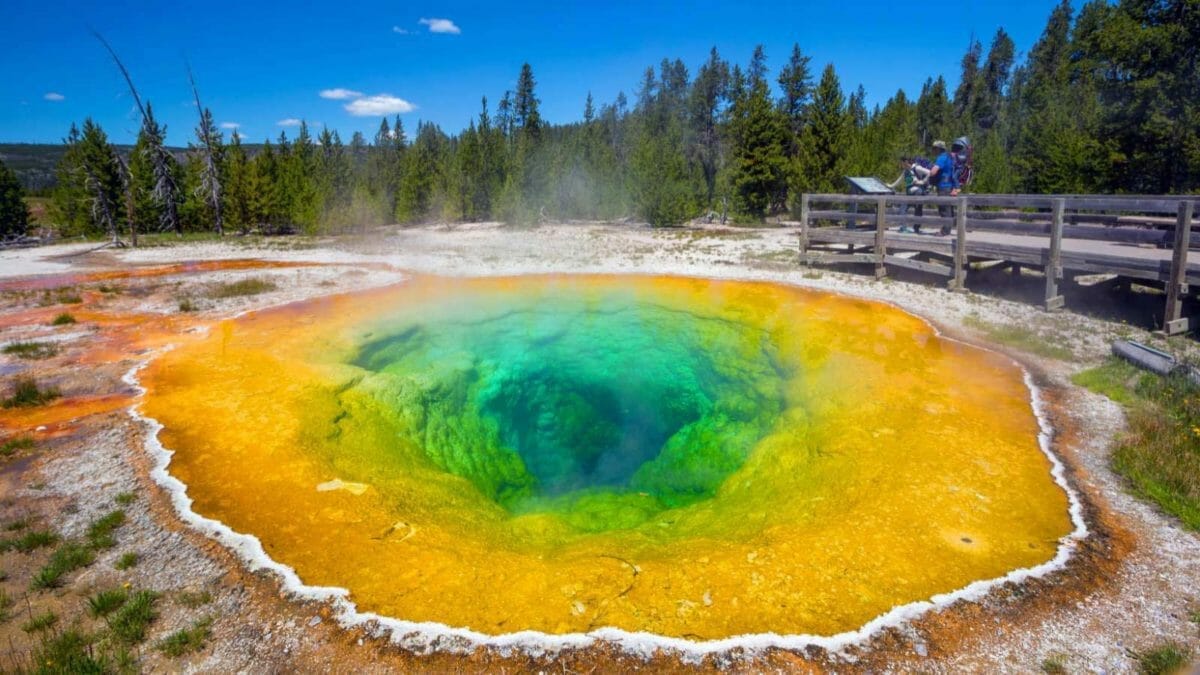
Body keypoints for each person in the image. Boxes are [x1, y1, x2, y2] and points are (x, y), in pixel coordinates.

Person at [926, 140, 959, 234]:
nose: (933, 151)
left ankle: (944, 231)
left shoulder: (941, 158)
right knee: (948, 208)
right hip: (949, 186)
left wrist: (926, 175)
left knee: (944, 209)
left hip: (943, 186)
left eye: (934, 148)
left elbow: (933, 171)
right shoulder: (949, 157)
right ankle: (947, 229)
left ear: (938, 149)